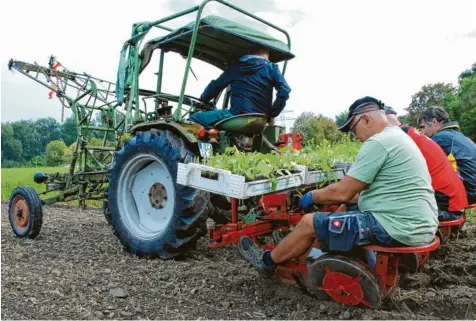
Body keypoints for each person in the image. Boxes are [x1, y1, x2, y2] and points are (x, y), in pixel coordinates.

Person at [237, 96, 439, 278]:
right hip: (419, 223)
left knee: (308, 222)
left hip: (397, 227)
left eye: (354, 130)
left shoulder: (379, 142)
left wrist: (311, 197)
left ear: (366, 120)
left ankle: (267, 263)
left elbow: (344, 191)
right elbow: (356, 195)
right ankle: (315, 256)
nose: (356, 137)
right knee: (342, 210)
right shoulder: (398, 137)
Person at [384, 106, 468, 220]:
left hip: (450, 206)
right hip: (459, 199)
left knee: (386, 206)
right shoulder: (411, 134)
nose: (423, 132)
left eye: (423, 127)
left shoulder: (402, 137)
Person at [189, 46, 291, 128]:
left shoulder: (236, 67)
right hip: (261, 120)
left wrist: (204, 98)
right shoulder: (272, 68)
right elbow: (285, 90)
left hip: (237, 117)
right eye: (268, 55)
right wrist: (272, 114)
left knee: (194, 118)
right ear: (260, 52)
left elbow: (216, 85)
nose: (268, 59)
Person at [418, 106, 476, 204]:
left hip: (466, 193)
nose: (423, 132)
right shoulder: (460, 136)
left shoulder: (440, 138)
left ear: (434, 122)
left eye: (423, 127)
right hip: (472, 189)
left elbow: (421, 164)